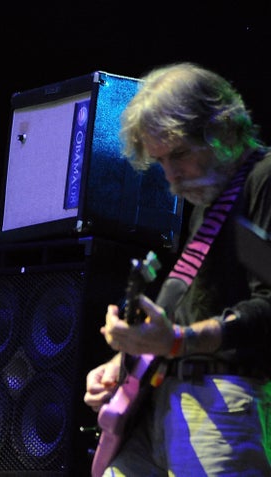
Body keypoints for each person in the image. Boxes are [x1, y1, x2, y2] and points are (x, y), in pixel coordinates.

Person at [84, 62, 271, 475]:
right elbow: (189, 300)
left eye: (180, 154)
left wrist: (176, 342)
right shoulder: (209, 196)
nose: (170, 176)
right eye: (161, 160)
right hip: (157, 398)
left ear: (221, 129)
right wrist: (128, 357)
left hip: (222, 397)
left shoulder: (264, 181)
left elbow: (268, 304)